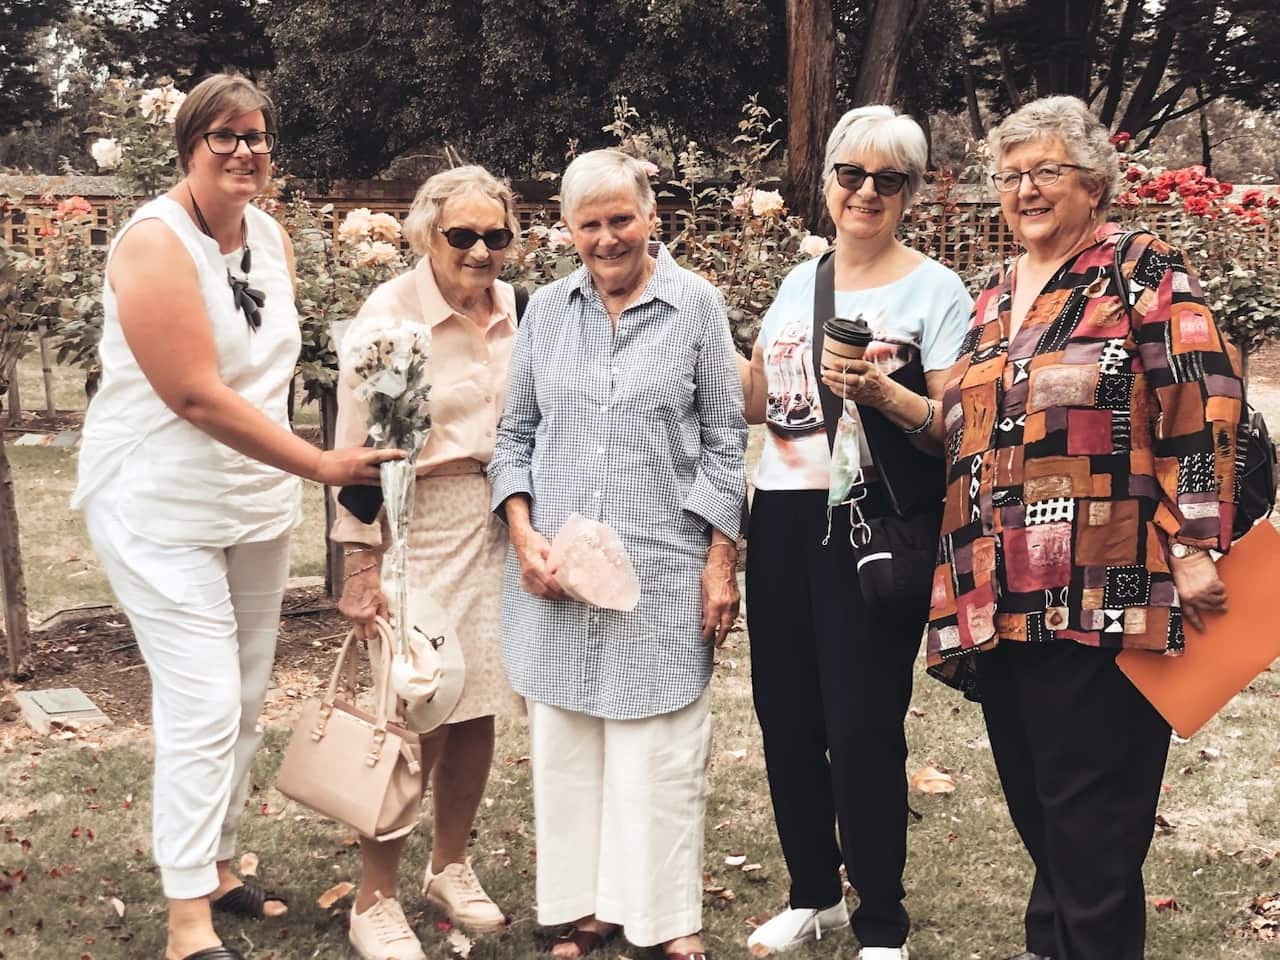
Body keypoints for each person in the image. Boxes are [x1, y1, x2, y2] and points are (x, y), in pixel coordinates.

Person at [70, 73, 397, 960]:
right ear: (189, 146)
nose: (246, 150)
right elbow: (194, 394)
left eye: (257, 135)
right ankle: (186, 922)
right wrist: (323, 465)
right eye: (225, 137)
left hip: (249, 498)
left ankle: (215, 862)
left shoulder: (270, 237)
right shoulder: (152, 243)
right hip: (156, 499)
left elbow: (269, 376)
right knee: (204, 701)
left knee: (246, 695)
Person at [924, 96, 1240, 960]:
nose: (1025, 189)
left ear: (1094, 180)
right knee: (1044, 821)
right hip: (1001, 596)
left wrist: (1199, 538)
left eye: (1045, 171)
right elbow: (971, 428)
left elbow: (1203, 397)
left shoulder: (1138, 267)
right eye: (1011, 174)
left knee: (1092, 835)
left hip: (1104, 589)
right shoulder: (993, 296)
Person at [487, 149, 747, 960]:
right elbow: (514, 436)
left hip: (664, 564)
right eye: (589, 224)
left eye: (620, 219)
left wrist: (719, 562)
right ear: (566, 230)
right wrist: (524, 535)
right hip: (558, 570)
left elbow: (725, 444)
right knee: (569, 746)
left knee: (660, 749)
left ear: (651, 217)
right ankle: (587, 908)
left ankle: (667, 918)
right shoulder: (547, 313)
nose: (607, 238)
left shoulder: (696, 305)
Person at [738, 106, 972, 960]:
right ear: (829, 181)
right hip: (784, 511)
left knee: (864, 719)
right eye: (852, 174)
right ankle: (811, 892)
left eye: (889, 179)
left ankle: (881, 922)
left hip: (870, 519)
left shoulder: (935, 289)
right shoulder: (802, 282)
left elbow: (954, 420)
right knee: (785, 713)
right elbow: (762, 400)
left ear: (909, 192)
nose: (867, 192)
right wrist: (683, 316)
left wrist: (884, 394)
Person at [332, 165, 526, 960]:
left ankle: (449, 865)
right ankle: (373, 897)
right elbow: (360, 453)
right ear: (424, 236)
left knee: (477, 703)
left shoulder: (514, 309)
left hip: (495, 520)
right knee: (414, 712)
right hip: (418, 522)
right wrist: (359, 566)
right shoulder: (392, 319)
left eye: (495, 235)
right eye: (462, 235)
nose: (480, 251)